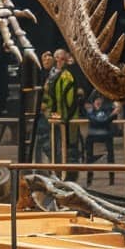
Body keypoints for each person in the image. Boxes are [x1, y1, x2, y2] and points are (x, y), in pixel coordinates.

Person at [50, 49, 81, 179]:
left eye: (62, 58)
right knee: (55, 146)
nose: (59, 61)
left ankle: (70, 176)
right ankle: (57, 174)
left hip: (68, 118)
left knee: (70, 146)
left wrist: (65, 118)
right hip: (55, 118)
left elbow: (71, 101)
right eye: (56, 58)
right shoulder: (52, 75)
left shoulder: (67, 76)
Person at [84, 93, 120, 185]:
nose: (98, 101)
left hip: (106, 134)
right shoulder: (90, 110)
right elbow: (99, 121)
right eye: (96, 99)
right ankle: (89, 180)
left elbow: (106, 119)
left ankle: (112, 180)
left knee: (111, 156)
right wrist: (111, 116)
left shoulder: (107, 109)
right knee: (89, 157)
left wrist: (111, 115)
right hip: (93, 135)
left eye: (100, 99)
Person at [31, 51, 57, 163]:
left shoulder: (55, 75)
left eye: (48, 57)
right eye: (44, 58)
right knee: (38, 141)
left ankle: (55, 165)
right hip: (41, 113)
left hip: (51, 113)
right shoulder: (42, 74)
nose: (46, 60)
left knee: (47, 142)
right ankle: (37, 167)